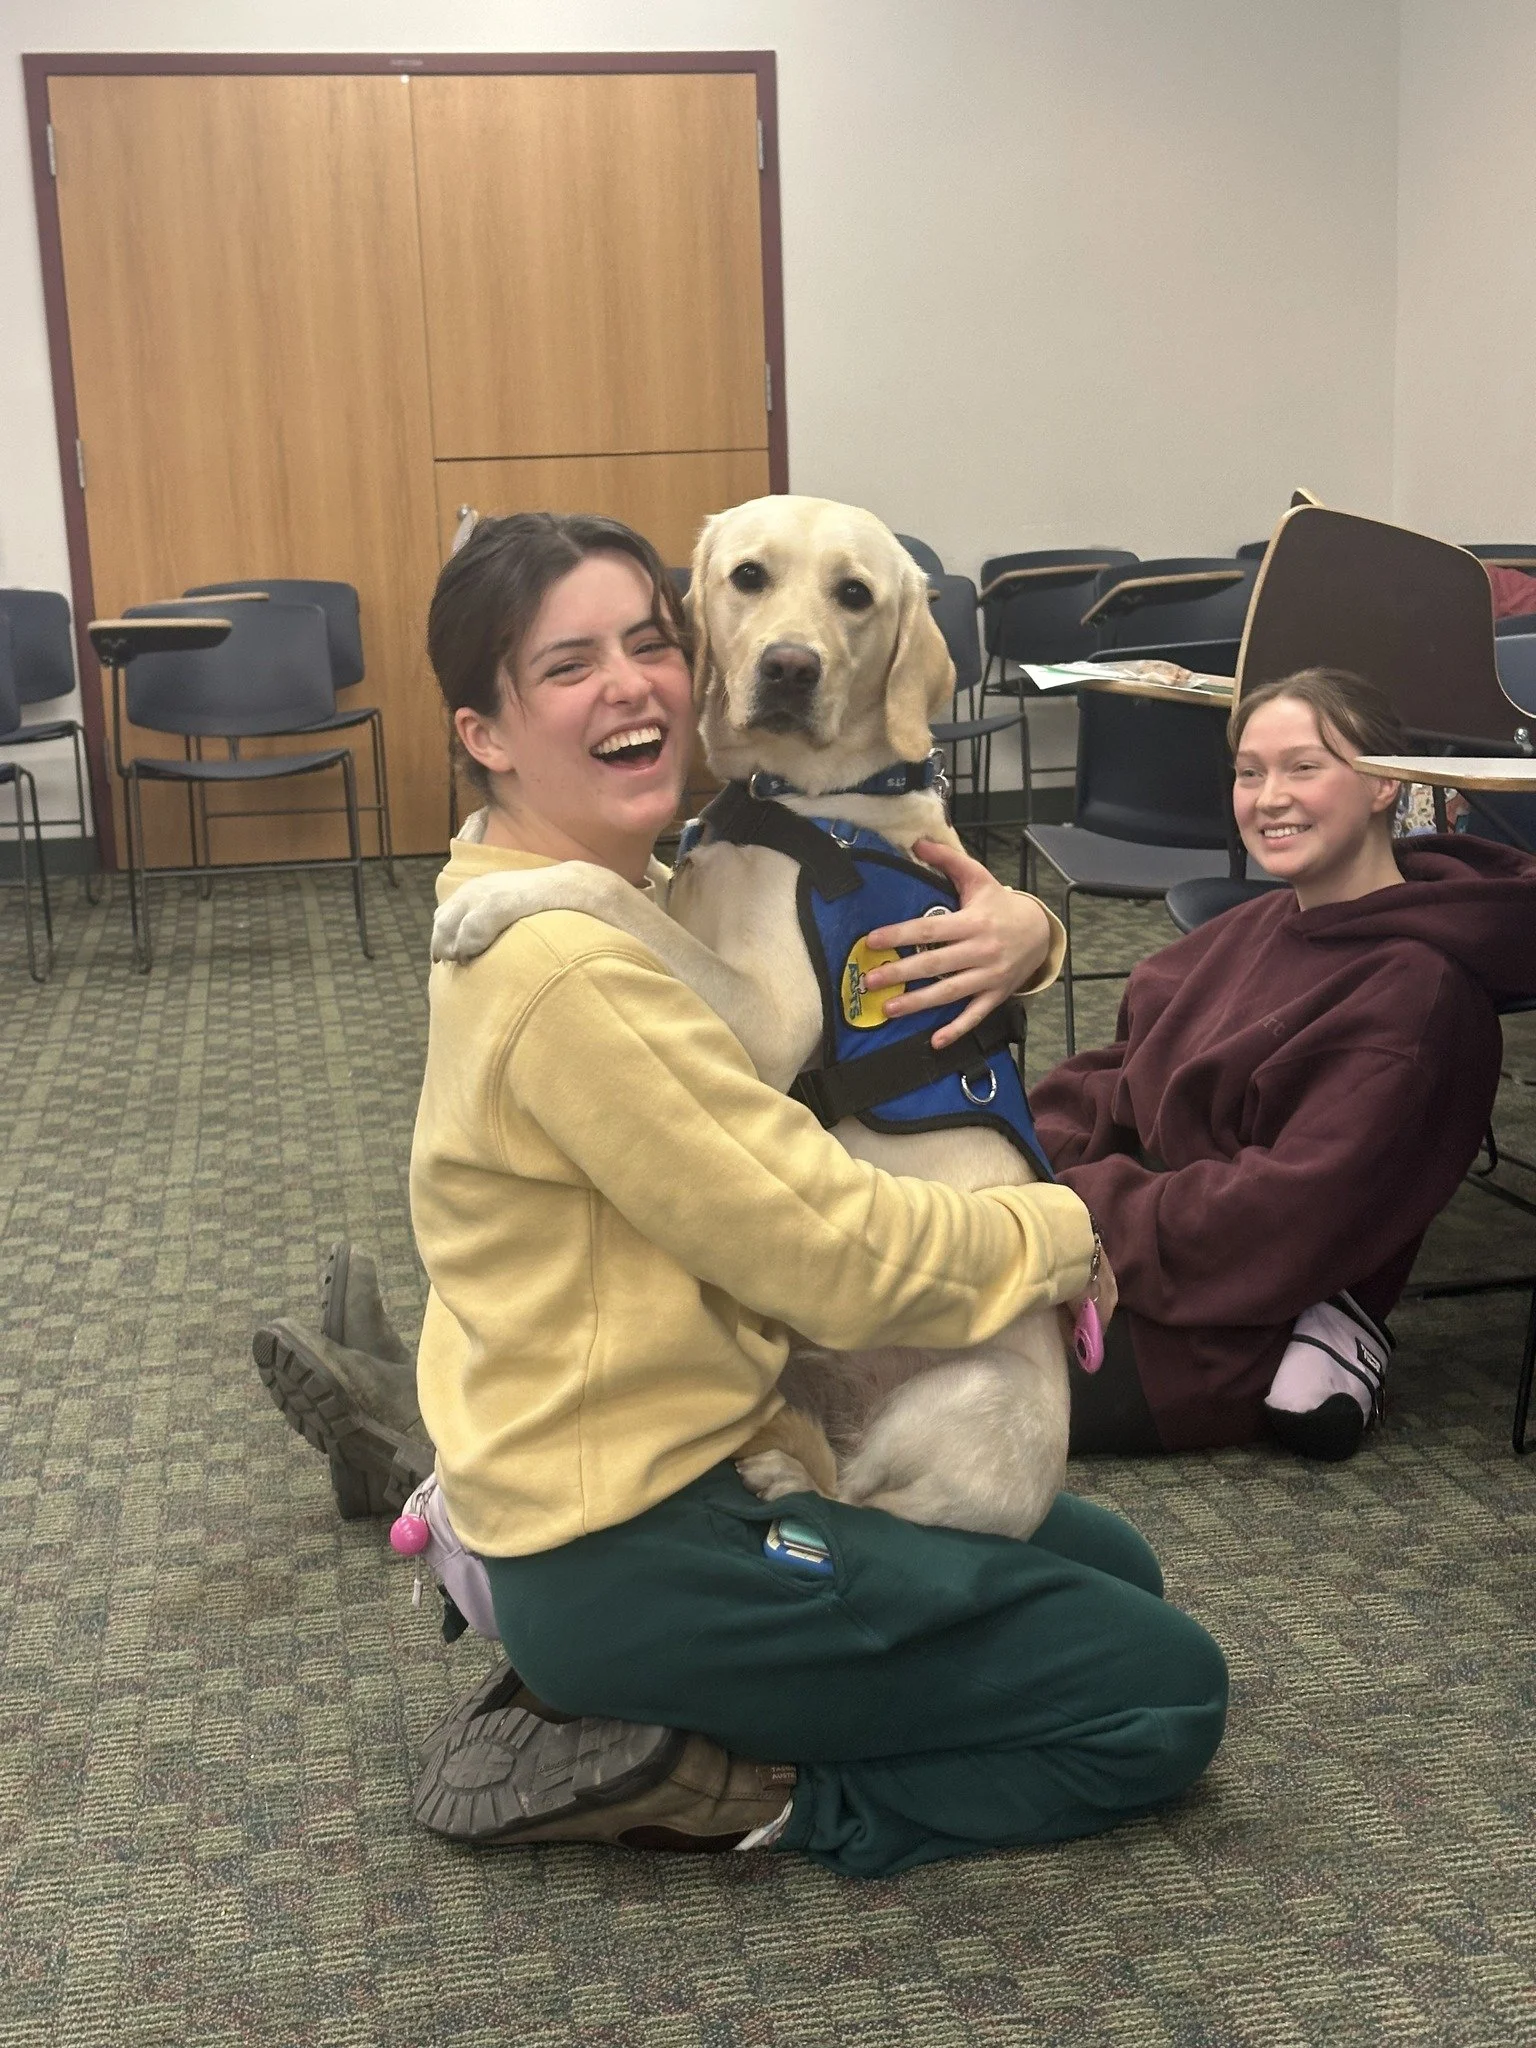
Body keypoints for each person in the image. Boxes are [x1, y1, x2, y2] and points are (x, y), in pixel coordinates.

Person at [254, 511, 1226, 1878]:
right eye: (567, 666)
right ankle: (733, 1779)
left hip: (690, 1437)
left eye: (645, 644)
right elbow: (829, 1258)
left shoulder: (622, 884)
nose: (633, 684)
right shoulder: (577, 964)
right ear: (485, 729)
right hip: (643, 1524)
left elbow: (827, 963)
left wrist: (1026, 931)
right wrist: (1062, 1233)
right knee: (1168, 1687)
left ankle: (704, 1677)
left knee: (1110, 1569)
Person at [1037, 666, 1536, 1462]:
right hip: (1108, 1240)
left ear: (1382, 784)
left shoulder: (1419, 999)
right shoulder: (1260, 923)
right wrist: (1013, 1161)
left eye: (1304, 767)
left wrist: (1062, 1210)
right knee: (845, 1283)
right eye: (1248, 772)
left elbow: (1278, 1217)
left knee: (876, 1370)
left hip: (1207, 1334)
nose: (1269, 797)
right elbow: (1110, 1075)